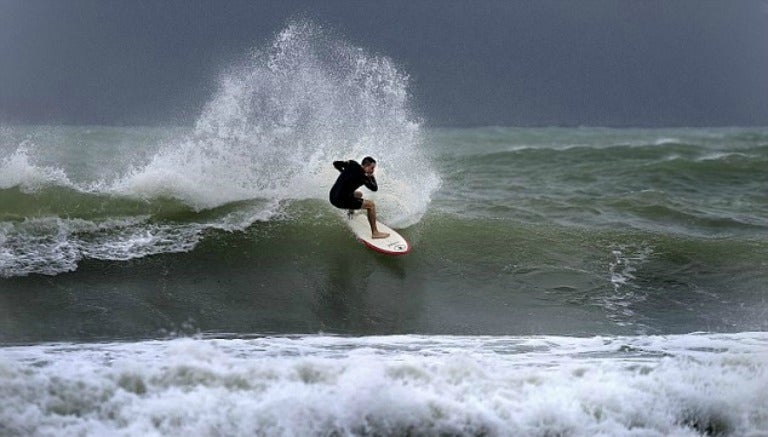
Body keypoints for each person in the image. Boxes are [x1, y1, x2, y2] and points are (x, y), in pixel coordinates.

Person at [329, 156, 390, 239]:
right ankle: (375, 233)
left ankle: (350, 213)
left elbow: (336, 164)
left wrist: (343, 173)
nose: (373, 170)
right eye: (372, 168)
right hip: (340, 201)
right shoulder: (363, 177)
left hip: (332, 196)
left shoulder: (351, 163)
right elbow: (374, 188)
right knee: (371, 205)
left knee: (358, 194)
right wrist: (372, 176)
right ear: (366, 165)